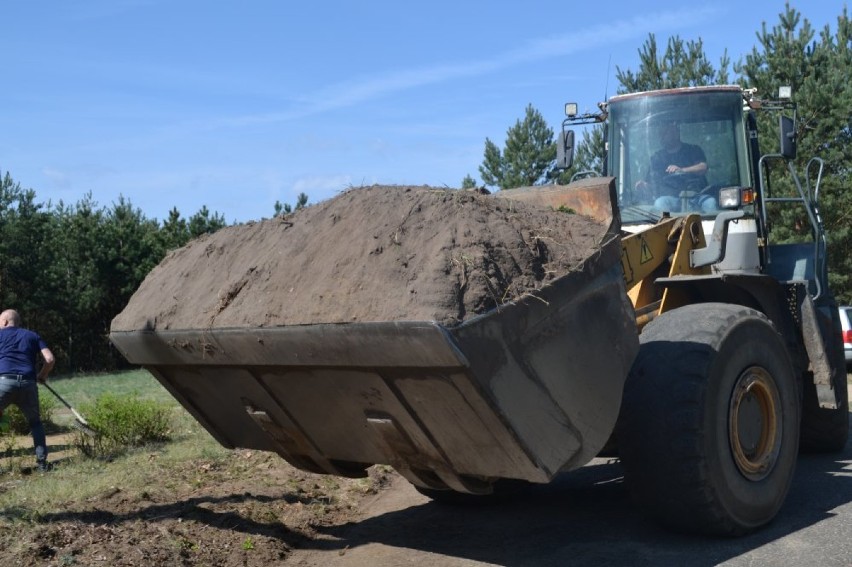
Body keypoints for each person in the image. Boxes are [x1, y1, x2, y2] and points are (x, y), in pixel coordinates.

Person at [0, 309, 55, 472]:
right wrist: (42, 375)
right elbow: (50, 359)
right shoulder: (32, 335)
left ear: (4, 322)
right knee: (35, 423)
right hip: (28, 384)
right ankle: (42, 465)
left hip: (4, 383)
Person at [635, 120, 710, 212]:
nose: (662, 135)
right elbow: (651, 185)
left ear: (676, 133)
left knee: (711, 203)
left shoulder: (693, 150)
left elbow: (703, 167)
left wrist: (681, 170)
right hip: (671, 199)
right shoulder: (657, 158)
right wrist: (643, 186)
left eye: (667, 131)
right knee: (660, 203)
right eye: (661, 133)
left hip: (697, 195)